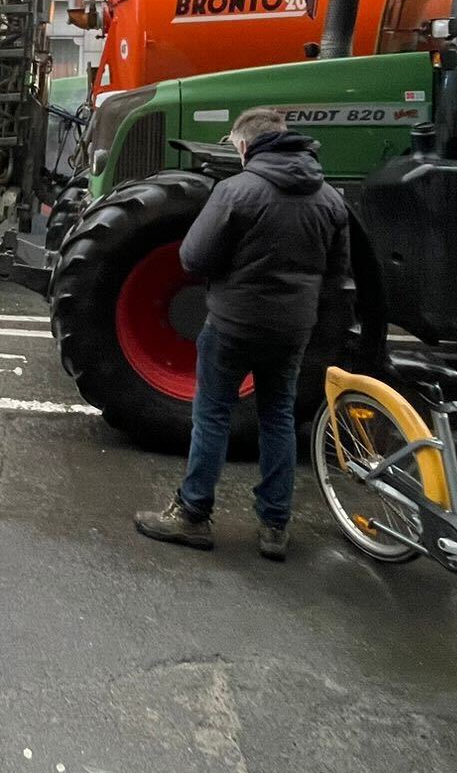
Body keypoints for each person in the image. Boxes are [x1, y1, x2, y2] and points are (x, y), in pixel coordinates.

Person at [133, 106, 349, 561]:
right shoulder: (330, 198)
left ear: (246, 146)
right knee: (278, 417)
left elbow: (193, 257)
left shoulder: (237, 191)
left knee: (212, 415)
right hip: (293, 330)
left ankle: (193, 515)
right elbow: (336, 274)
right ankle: (274, 525)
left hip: (233, 325)